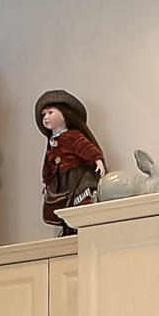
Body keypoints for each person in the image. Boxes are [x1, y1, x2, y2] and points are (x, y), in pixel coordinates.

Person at [37, 89, 104, 234]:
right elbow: (48, 161)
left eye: (50, 113)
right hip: (60, 181)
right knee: (62, 204)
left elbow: (85, 147)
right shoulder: (52, 141)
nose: (46, 118)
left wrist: (97, 160)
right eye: (43, 114)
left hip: (75, 175)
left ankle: (78, 227)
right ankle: (67, 229)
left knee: (78, 200)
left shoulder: (73, 136)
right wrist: (47, 177)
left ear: (65, 114)